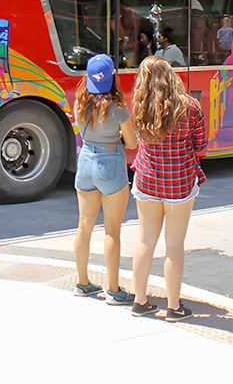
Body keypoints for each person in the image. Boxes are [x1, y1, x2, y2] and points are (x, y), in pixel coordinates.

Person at [129, 56, 207, 322]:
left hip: (147, 181)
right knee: (174, 246)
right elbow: (201, 147)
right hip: (180, 183)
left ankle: (140, 301)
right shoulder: (192, 108)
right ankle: (174, 307)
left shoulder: (139, 107)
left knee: (145, 242)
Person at [71, 54, 138, 305]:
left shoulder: (79, 103)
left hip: (86, 161)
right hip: (110, 164)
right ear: (112, 77)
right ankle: (113, 290)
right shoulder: (117, 106)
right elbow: (132, 142)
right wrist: (119, 135)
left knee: (84, 226)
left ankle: (83, 283)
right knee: (112, 231)